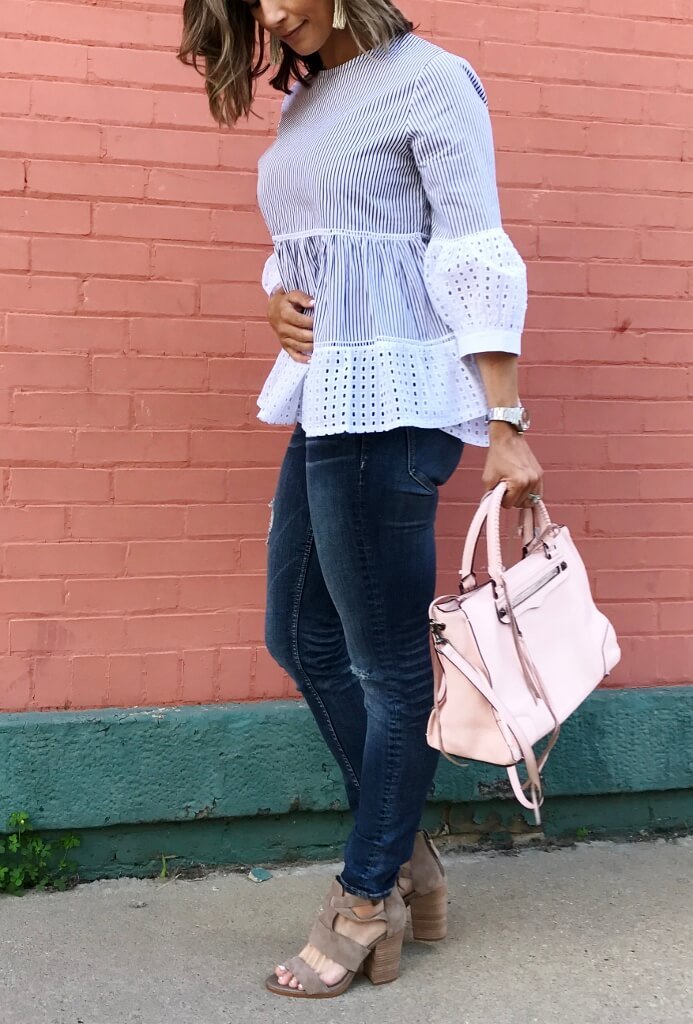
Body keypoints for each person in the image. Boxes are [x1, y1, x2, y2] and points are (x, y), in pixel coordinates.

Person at [179, 0, 544, 999]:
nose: (274, 12)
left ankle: (365, 900)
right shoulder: (312, 100)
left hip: (400, 403)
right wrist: (275, 297)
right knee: (296, 633)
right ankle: (407, 853)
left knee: (387, 665)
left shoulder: (432, 80)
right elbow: (320, 237)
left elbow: (473, 249)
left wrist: (506, 423)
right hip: (331, 392)